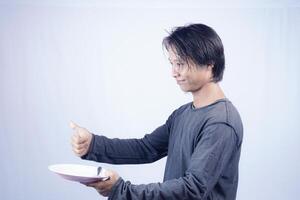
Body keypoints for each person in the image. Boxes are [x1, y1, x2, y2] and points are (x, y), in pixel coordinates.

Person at [70, 23, 243, 200]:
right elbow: (146, 148)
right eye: (172, 63)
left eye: (180, 63)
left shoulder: (221, 123)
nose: (174, 72)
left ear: (209, 64)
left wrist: (122, 191)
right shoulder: (182, 114)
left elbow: (193, 189)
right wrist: (92, 144)